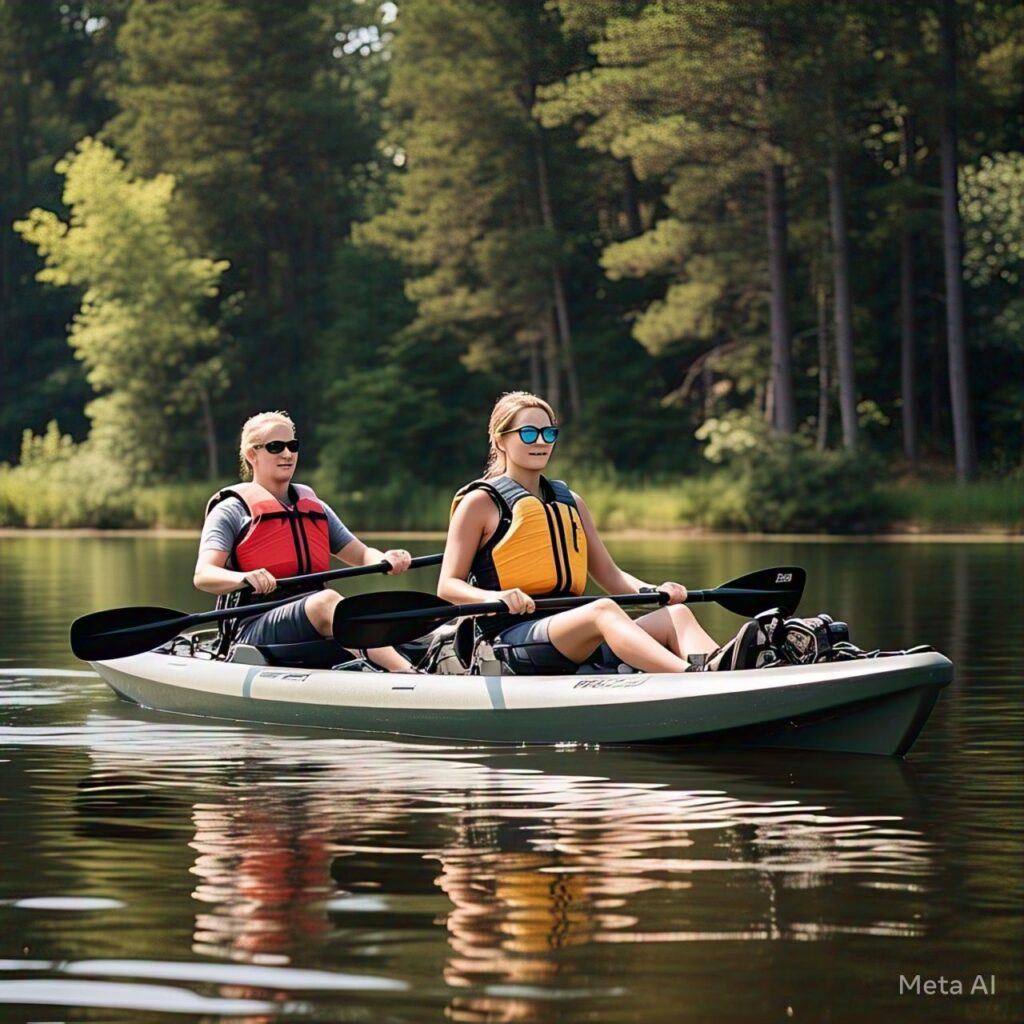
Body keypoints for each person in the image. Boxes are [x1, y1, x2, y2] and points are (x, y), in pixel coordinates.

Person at [438, 392, 760, 675]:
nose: (540, 441)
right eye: (528, 433)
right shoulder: (480, 503)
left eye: (548, 433)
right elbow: (448, 586)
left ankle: (724, 669)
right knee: (603, 611)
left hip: (574, 632)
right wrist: (496, 597)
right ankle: (691, 675)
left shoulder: (571, 502)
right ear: (500, 439)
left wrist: (653, 590)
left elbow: (610, 574)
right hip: (510, 639)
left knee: (677, 614)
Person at [194, 410, 414, 671]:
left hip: (312, 618)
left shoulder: (315, 507)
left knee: (370, 610)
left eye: (292, 446)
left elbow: (363, 554)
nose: (287, 454)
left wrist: (385, 559)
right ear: (252, 455)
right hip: (255, 626)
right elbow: (203, 575)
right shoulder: (231, 511)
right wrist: (243, 578)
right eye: (275, 447)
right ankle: (407, 674)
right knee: (327, 602)